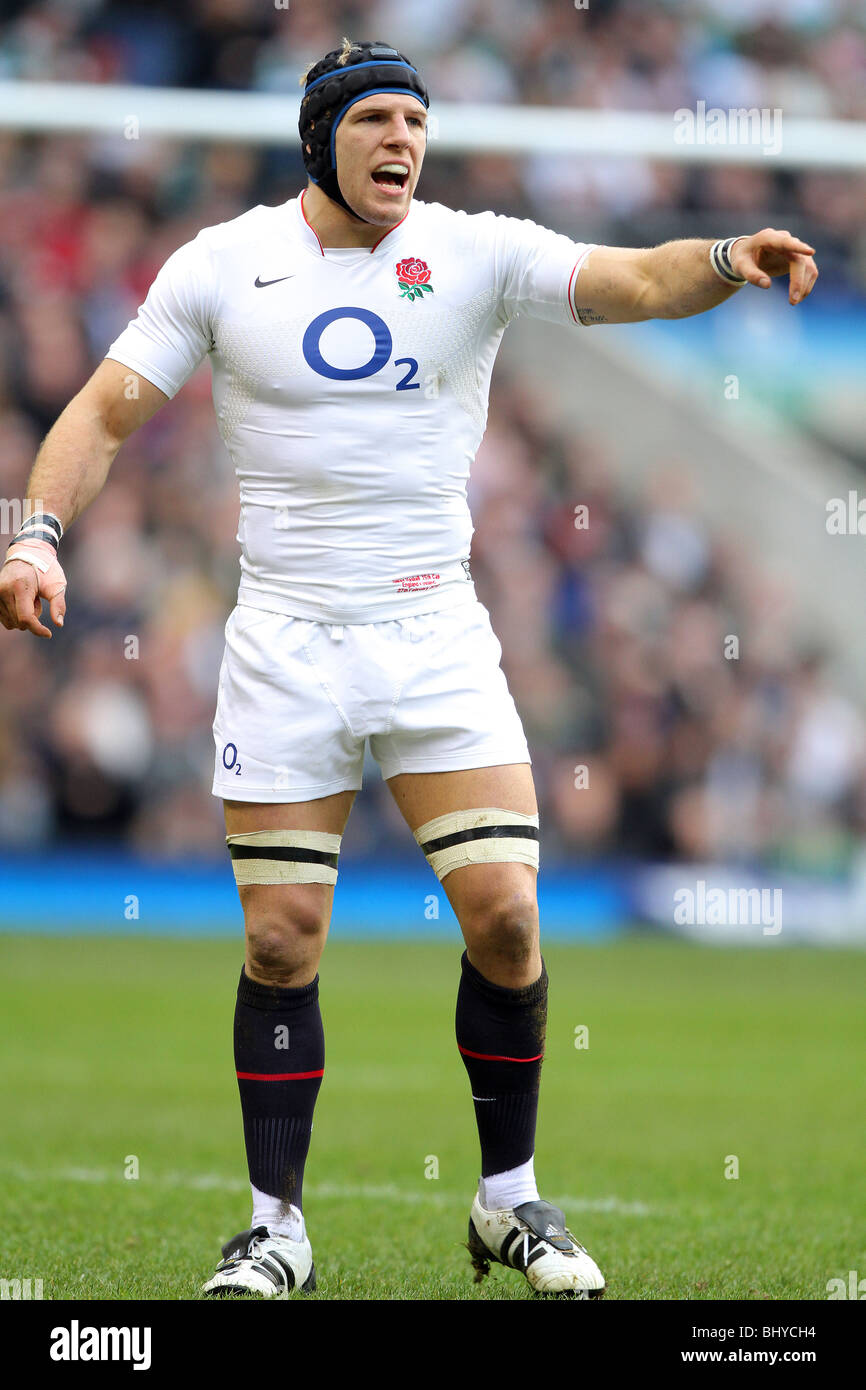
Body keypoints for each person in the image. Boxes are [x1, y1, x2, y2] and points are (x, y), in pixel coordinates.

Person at [0, 37, 818, 1300]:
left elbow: (634, 279)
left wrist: (722, 257)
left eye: (415, 122)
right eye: (375, 118)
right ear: (319, 134)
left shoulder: (475, 249)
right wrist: (35, 535)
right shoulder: (224, 263)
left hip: (433, 632)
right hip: (282, 639)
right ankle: (274, 1228)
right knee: (282, 941)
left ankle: (507, 1203)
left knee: (503, 911)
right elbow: (105, 412)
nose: (401, 142)